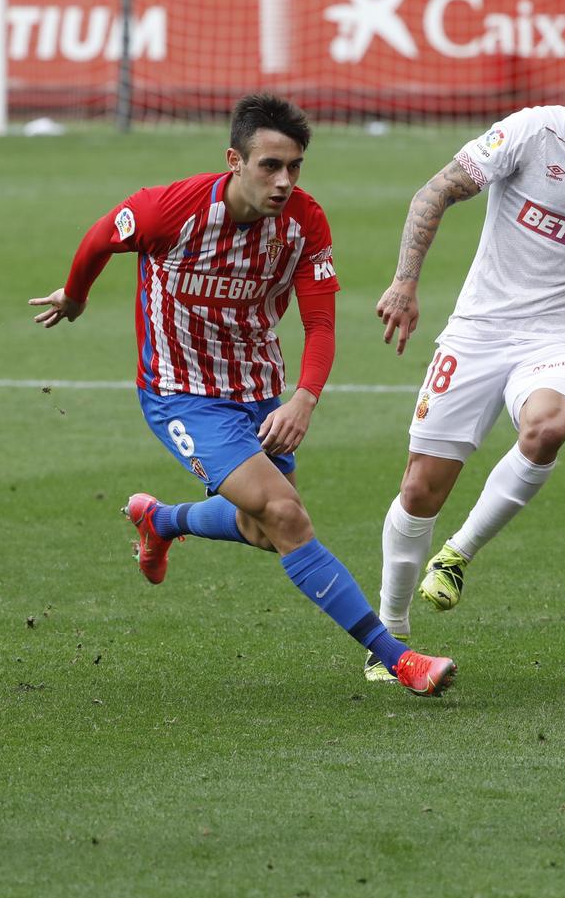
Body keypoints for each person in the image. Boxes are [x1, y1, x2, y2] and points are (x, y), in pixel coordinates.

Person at [27, 94, 456, 698]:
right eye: (270, 166)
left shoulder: (305, 222)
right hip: (181, 395)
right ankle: (398, 657)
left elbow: (322, 325)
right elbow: (102, 236)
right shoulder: (167, 209)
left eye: (295, 167)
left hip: (260, 392)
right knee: (285, 516)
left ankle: (162, 520)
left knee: (262, 531)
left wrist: (303, 397)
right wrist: (75, 294)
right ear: (235, 160)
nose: (284, 181)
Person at [369, 29, 565, 681]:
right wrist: (404, 280)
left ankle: (456, 554)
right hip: (479, 331)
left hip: (559, 338)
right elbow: (437, 191)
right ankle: (390, 635)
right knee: (421, 487)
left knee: (549, 425)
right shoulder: (533, 134)